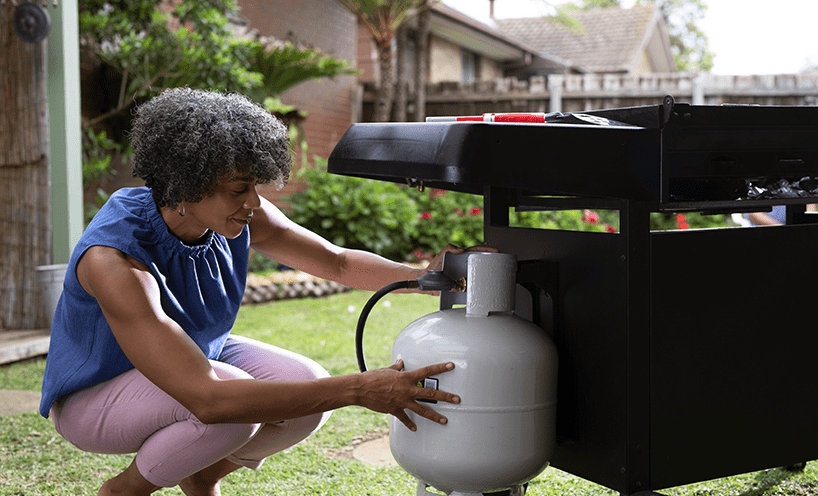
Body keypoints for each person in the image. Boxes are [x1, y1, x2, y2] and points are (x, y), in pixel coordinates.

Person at [39, 87, 481, 496]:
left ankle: (202, 475)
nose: (253, 201)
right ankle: (125, 489)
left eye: (254, 186)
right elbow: (208, 399)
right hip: (95, 396)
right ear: (186, 184)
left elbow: (336, 262)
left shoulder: (238, 216)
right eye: (239, 189)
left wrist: (422, 277)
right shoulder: (115, 261)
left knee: (306, 386)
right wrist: (357, 389)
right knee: (233, 405)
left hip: (191, 357)